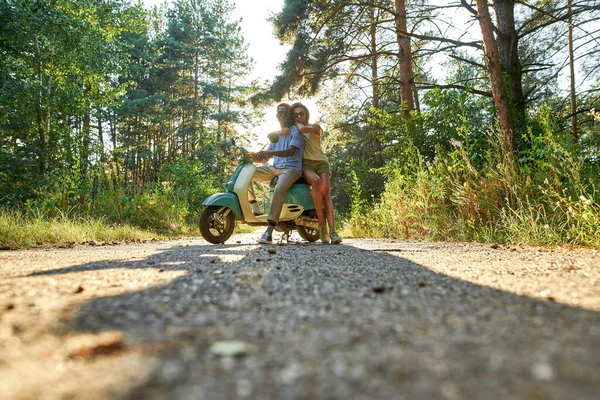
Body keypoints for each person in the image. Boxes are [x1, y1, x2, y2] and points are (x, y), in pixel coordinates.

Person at [248, 103, 305, 244]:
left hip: (291, 169)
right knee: (247, 173)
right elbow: (265, 157)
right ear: (277, 117)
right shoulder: (276, 135)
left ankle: (269, 231)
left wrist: (270, 152)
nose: (283, 115)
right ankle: (256, 209)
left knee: (280, 188)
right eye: (281, 113)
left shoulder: (295, 131)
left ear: (290, 115)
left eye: (286, 113)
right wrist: (249, 156)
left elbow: (291, 151)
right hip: (275, 168)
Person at [290, 102, 342, 244]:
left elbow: (304, 129)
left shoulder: (315, 127)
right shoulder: (293, 129)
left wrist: (295, 123)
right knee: (315, 181)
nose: (299, 116)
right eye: (296, 115)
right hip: (307, 164)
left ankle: (333, 232)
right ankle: (321, 225)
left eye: (301, 113)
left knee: (326, 194)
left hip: (321, 162)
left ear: (306, 113)